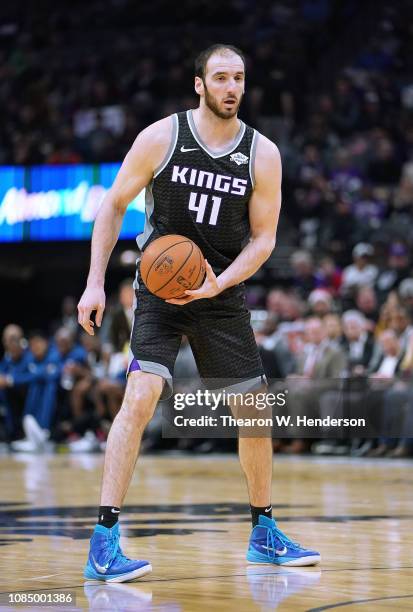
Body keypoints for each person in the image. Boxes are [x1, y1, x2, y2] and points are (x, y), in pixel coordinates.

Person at [78, 43, 320, 583]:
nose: (232, 87)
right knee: (140, 395)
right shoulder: (163, 137)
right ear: (199, 84)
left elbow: (263, 240)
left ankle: (264, 533)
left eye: (239, 78)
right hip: (160, 290)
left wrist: (220, 283)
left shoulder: (263, 153)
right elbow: (114, 203)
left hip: (221, 295)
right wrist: (95, 284)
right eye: (221, 77)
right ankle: (104, 539)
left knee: (254, 411)